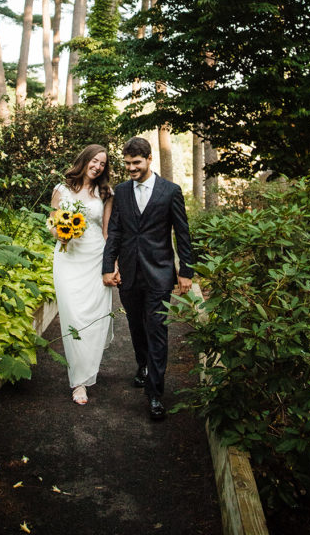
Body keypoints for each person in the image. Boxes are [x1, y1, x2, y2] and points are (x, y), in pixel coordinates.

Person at [102, 136, 194, 421]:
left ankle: (155, 394)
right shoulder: (121, 191)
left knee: (156, 330)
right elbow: (115, 232)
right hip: (129, 273)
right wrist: (108, 266)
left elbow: (182, 232)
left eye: (136, 163)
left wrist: (186, 270)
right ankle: (142, 366)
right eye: (127, 163)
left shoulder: (170, 191)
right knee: (136, 327)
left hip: (159, 273)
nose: (131, 168)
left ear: (149, 159)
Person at [49, 144, 115, 405]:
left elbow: (107, 233)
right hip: (68, 259)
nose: (98, 166)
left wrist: (112, 265)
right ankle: (78, 382)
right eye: (95, 161)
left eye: (102, 163)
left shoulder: (105, 192)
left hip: (95, 258)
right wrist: (63, 231)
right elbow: (53, 225)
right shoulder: (61, 189)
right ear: (85, 160)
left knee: (95, 318)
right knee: (73, 318)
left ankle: (87, 371)